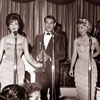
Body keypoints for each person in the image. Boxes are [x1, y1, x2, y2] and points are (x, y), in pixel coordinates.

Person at [0, 13, 42, 89]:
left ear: (19, 26)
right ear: (8, 26)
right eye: (11, 24)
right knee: (6, 88)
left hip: (19, 66)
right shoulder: (4, 39)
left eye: (16, 24)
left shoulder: (23, 39)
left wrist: (35, 65)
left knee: (18, 88)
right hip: (6, 67)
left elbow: (27, 55)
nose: (13, 26)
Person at [32, 15, 65, 100]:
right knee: (42, 93)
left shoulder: (60, 37)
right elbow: (33, 51)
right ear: (44, 23)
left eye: (51, 23)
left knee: (54, 93)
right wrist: (36, 56)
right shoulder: (38, 36)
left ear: (54, 24)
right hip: (40, 69)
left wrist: (50, 57)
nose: (49, 25)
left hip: (53, 70)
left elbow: (63, 54)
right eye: (47, 23)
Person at [69, 18, 100, 100]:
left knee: (89, 87)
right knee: (80, 88)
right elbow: (74, 55)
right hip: (79, 66)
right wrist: (71, 68)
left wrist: (91, 57)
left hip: (90, 65)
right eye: (78, 28)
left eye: (81, 28)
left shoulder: (93, 40)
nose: (79, 30)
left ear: (87, 28)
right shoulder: (76, 41)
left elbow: (99, 51)